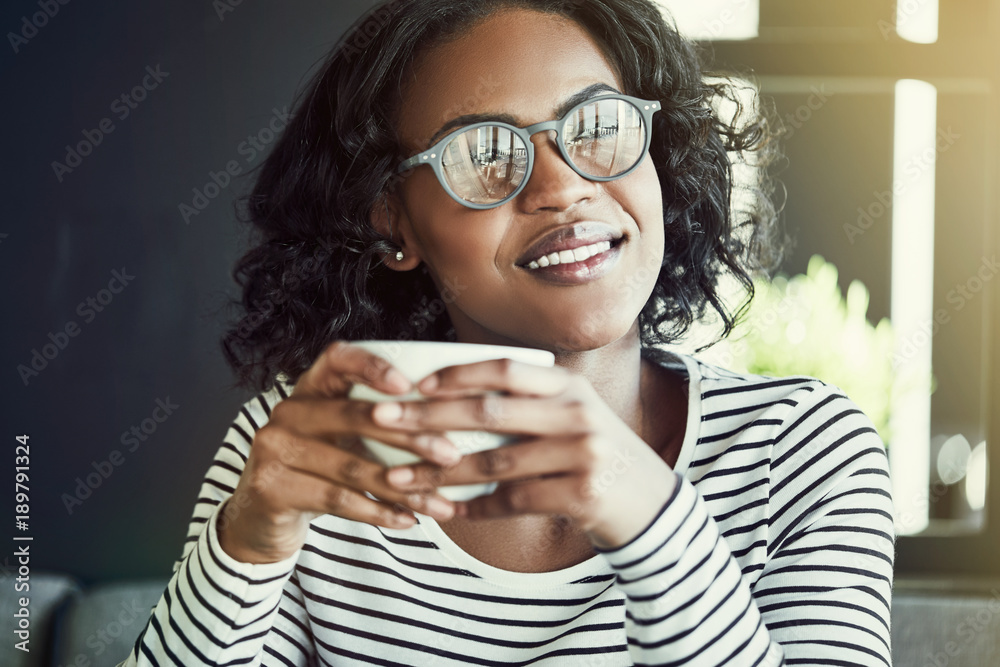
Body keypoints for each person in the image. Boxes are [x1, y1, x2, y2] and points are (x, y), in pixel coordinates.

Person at [121, 0, 894, 665]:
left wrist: (645, 510)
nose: (562, 187)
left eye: (597, 125)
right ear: (393, 221)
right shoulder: (311, 450)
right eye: (484, 153)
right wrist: (248, 545)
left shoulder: (804, 451)